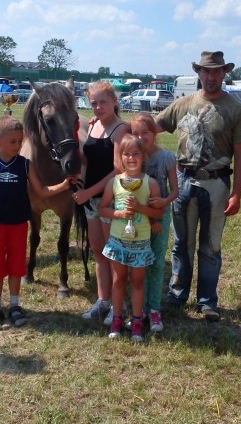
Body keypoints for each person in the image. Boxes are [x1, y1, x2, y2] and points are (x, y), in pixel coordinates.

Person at [155, 51, 241, 322]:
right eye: (206, 71)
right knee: (181, 244)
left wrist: (237, 193)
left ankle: (207, 301)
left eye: (216, 71)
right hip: (183, 181)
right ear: (198, 73)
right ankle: (177, 295)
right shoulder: (183, 104)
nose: (210, 77)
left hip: (216, 185)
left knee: (210, 246)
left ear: (224, 73)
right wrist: (116, 127)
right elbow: (149, 127)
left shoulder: (235, 109)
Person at [0, 116, 74, 329]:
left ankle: (14, 305)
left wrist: (64, 185)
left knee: (15, 267)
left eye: (20, 141)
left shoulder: (25, 165)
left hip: (19, 226)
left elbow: (42, 191)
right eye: (13, 142)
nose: (18, 146)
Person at [71, 82, 128, 323]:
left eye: (102, 102)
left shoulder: (120, 129)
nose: (97, 107)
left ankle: (119, 306)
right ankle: (103, 300)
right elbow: (89, 159)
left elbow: (118, 169)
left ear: (114, 101)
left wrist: (88, 192)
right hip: (92, 200)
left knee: (113, 254)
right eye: (93, 103)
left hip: (110, 200)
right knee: (98, 251)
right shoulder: (94, 126)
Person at [99, 134, 163, 340]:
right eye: (126, 154)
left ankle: (136, 322)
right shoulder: (113, 183)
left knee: (137, 282)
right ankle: (116, 319)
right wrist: (118, 214)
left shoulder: (150, 183)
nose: (131, 158)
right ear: (120, 157)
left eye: (136, 154)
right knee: (119, 280)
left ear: (143, 156)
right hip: (118, 241)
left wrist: (141, 208)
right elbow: (103, 209)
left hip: (141, 243)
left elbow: (158, 213)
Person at [129, 112, 178, 332]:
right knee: (141, 263)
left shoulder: (166, 157)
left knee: (157, 263)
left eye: (145, 132)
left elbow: (175, 190)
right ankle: (140, 308)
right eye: (135, 133)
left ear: (154, 132)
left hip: (161, 215)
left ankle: (154, 308)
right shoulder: (134, 158)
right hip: (140, 217)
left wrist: (164, 202)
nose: (140, 137)